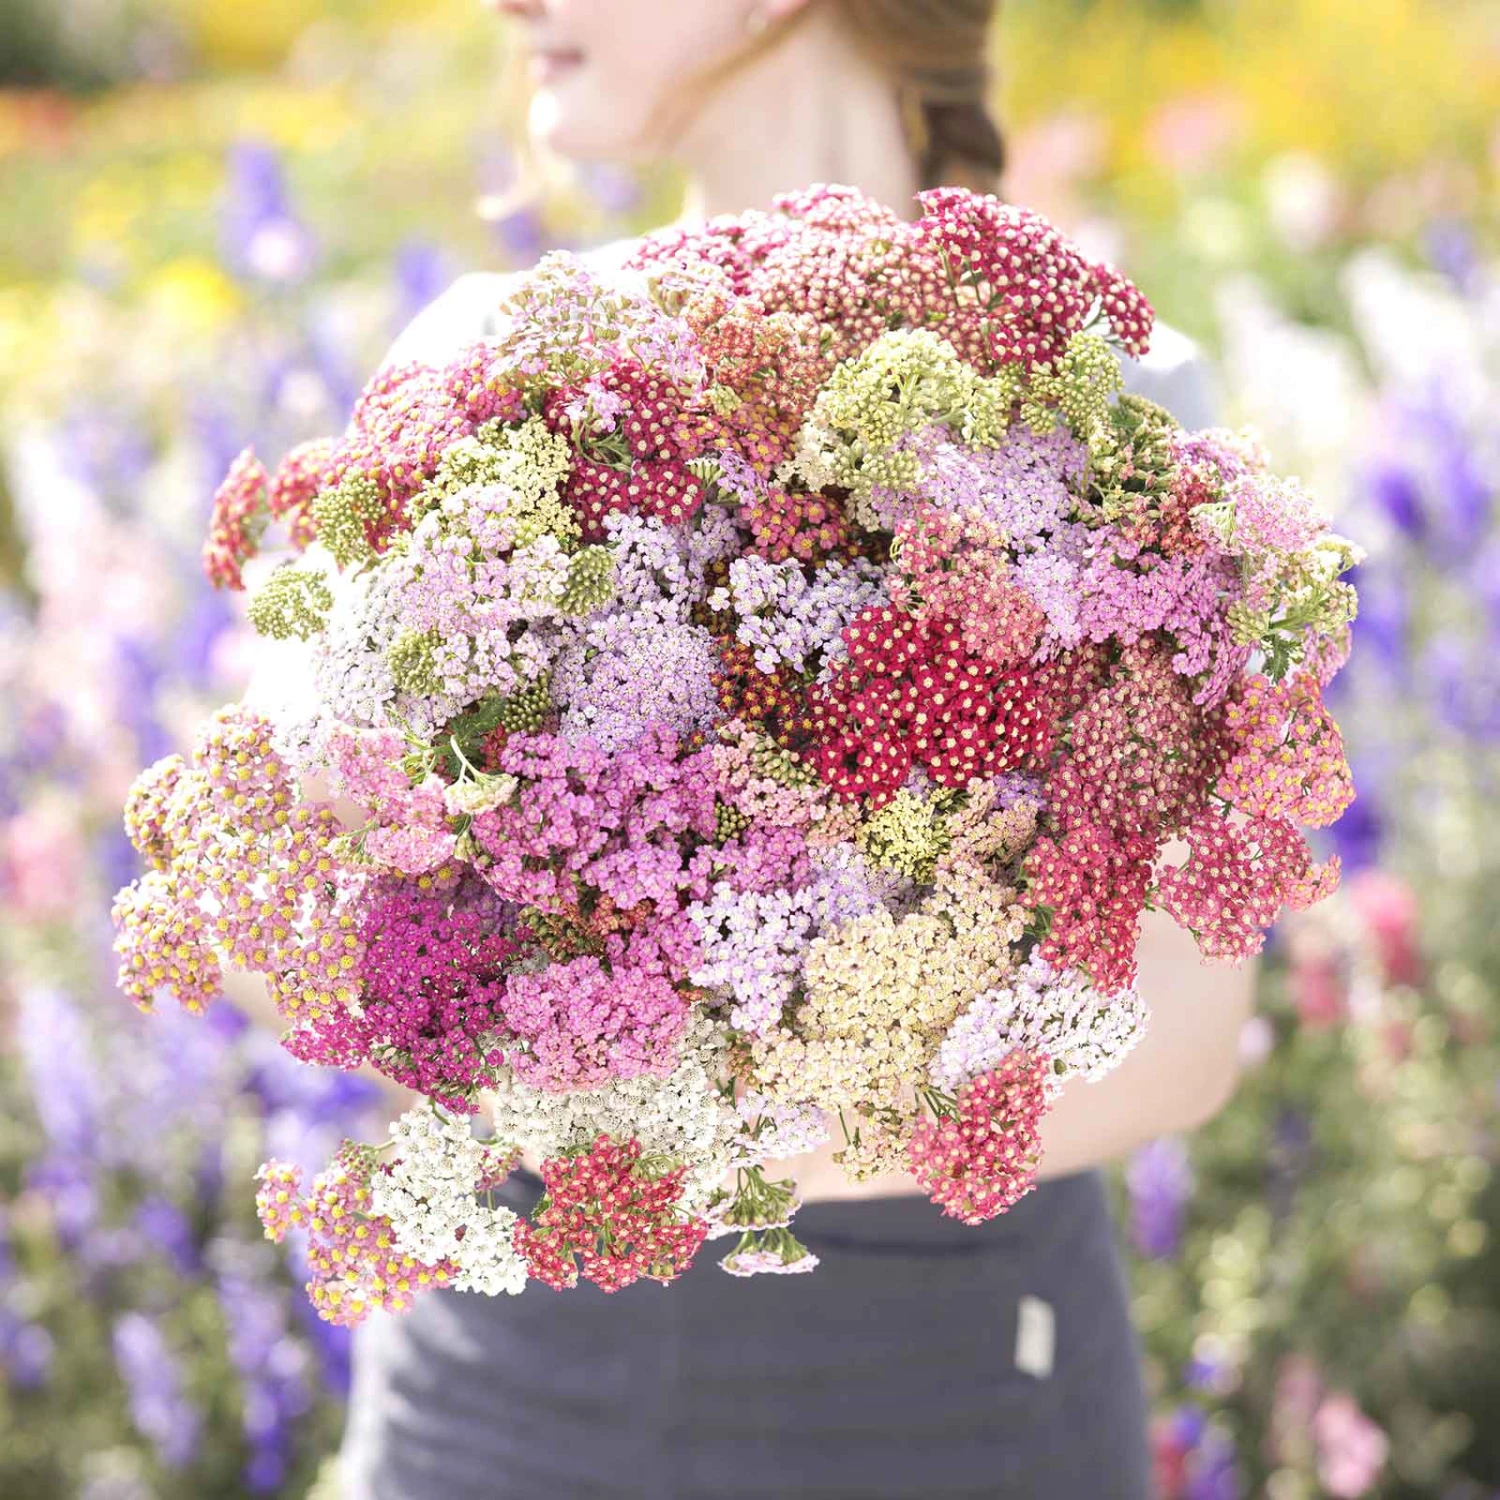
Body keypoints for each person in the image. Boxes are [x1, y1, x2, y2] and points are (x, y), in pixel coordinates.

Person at [314, 1, 1255, 1495]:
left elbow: (1187, 1038)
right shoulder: (490, 366)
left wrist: (678, 1129)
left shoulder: (1099, 400)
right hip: (508, 1418)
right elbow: (299, 906)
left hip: (954, 1412)